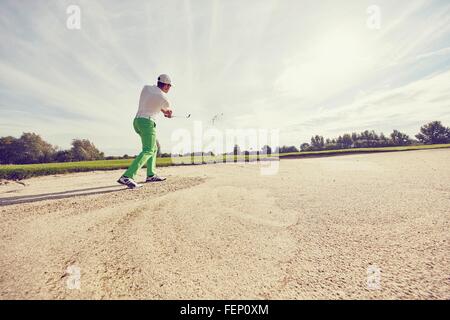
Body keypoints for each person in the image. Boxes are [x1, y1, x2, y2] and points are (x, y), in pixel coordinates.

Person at [117, 74, 173, 189]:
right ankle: (127, 176)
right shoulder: (164, 99)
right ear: (166, 85)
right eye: (170, 86)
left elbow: (153, 102)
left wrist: (163, 111)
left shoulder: (146, 88)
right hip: (147, 123)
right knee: (148, 150)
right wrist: (168, 113)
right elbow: (167, 109)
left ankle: (151, 174)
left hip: (137, 121)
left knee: (154, 148)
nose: (170, 88)